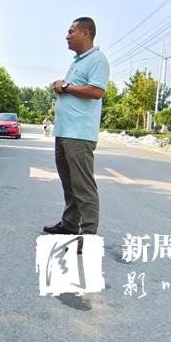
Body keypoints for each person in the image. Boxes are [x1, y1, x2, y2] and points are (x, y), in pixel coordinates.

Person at [43, 17, 110, 250]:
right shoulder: (77, 61)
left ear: (86, 33)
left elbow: (97, 91)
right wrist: (62, 86)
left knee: (83, 186)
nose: (67, 36)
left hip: (79, 135)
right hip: (64, 132)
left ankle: (88, 237)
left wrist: (66, 87)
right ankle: (69, 224)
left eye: (71, 31)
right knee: (69, 183)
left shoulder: (97, 59)